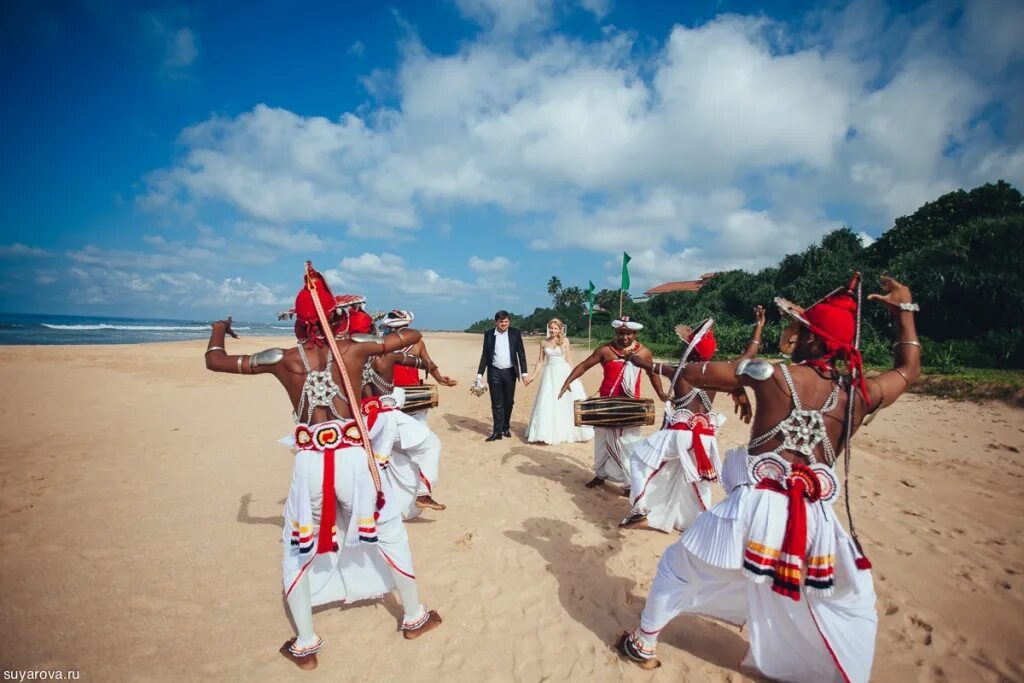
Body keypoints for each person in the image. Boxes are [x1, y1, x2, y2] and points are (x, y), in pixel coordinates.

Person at [616, 274, 921, 683]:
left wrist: (651, 364)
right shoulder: (861, 393)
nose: (791, 333)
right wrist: (904, 311)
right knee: (806, 594)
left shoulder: (770, 375)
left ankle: (643, 643)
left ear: (813, 340)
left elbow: (689, 371)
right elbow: (909, 368)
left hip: (756, 506)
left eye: (799, 328)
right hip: (814, 520)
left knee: (676, 565)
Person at [205, 268, 441, 671]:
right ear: (334, 318)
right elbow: (409, 338)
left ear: (298, 323)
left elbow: (215, 361)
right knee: (389, 532)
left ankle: (306, 642)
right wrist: (383, 331)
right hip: (352, 459)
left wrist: (219, 328)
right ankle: (414, 616)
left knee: (297, 546)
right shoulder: (354, 349)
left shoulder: (280, 360)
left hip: (311, 464)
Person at [620, 307, 764, 532]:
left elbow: (646, 365)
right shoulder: (718, 373)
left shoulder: (681, 371)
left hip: (678, 433)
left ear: (690, 348)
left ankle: (639, 509)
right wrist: (759, 328)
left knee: (639, 460)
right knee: (699, 481)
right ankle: (697, 523)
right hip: (705, 438)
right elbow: (748, 357)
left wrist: (632, 357)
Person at [558, 316, 668, 491]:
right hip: (606, 404)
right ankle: (600, 475)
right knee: (602, 441)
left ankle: (630, 484)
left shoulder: (644, 353)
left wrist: (661, 393)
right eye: (621, 333)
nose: (624, 337)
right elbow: (585, 365)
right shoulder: (605, 350)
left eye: (628, 334)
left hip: (630, 407)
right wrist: (567, 382)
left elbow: (652, 374)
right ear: (616, 332)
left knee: (629, 444)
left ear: (635, 333)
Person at [359, 310, 448, 516]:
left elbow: (428, 362)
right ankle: (404, 498)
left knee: (407, 450)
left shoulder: (409, 346)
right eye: (397, 330)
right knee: (402, 451)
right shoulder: (383, 349)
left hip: (410, 400)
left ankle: (405, 496)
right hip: (391, 401)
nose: (400, 332)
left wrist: (440, 377)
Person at [380, 309, 457, 426]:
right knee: (414, 426)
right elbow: (429, 363)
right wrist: (439, 378)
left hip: (399, 391)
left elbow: (428, 363)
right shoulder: (413, 343)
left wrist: (440, 378)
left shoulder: (383, 343)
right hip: (404, 391)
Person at [524, 318, 594, 445]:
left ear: (560, 329)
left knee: (567, 401)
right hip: (549, 374)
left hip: (563, 372)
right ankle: (545, 432)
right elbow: (540, 361)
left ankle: (570, 431)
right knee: (548, 401)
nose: (553, 330)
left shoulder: (565, 341)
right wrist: (533, 375)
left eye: (555, 328)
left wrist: (574, 375)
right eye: (551, 328)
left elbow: (568, 359)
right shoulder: (544, 342)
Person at [475, 310, 528, 441]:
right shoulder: (488, 334)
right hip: (494, 371)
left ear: (509, 321)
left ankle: (505, 426)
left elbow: (521, 354)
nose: (504, 324)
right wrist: (479, 374)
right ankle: (497, 432)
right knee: (496, 403)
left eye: (506, 321)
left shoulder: (515, 333)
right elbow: (485, 355)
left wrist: (524, 373)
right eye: (501, 322)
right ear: (496, 322)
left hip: (510, 372)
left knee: (509, 402)